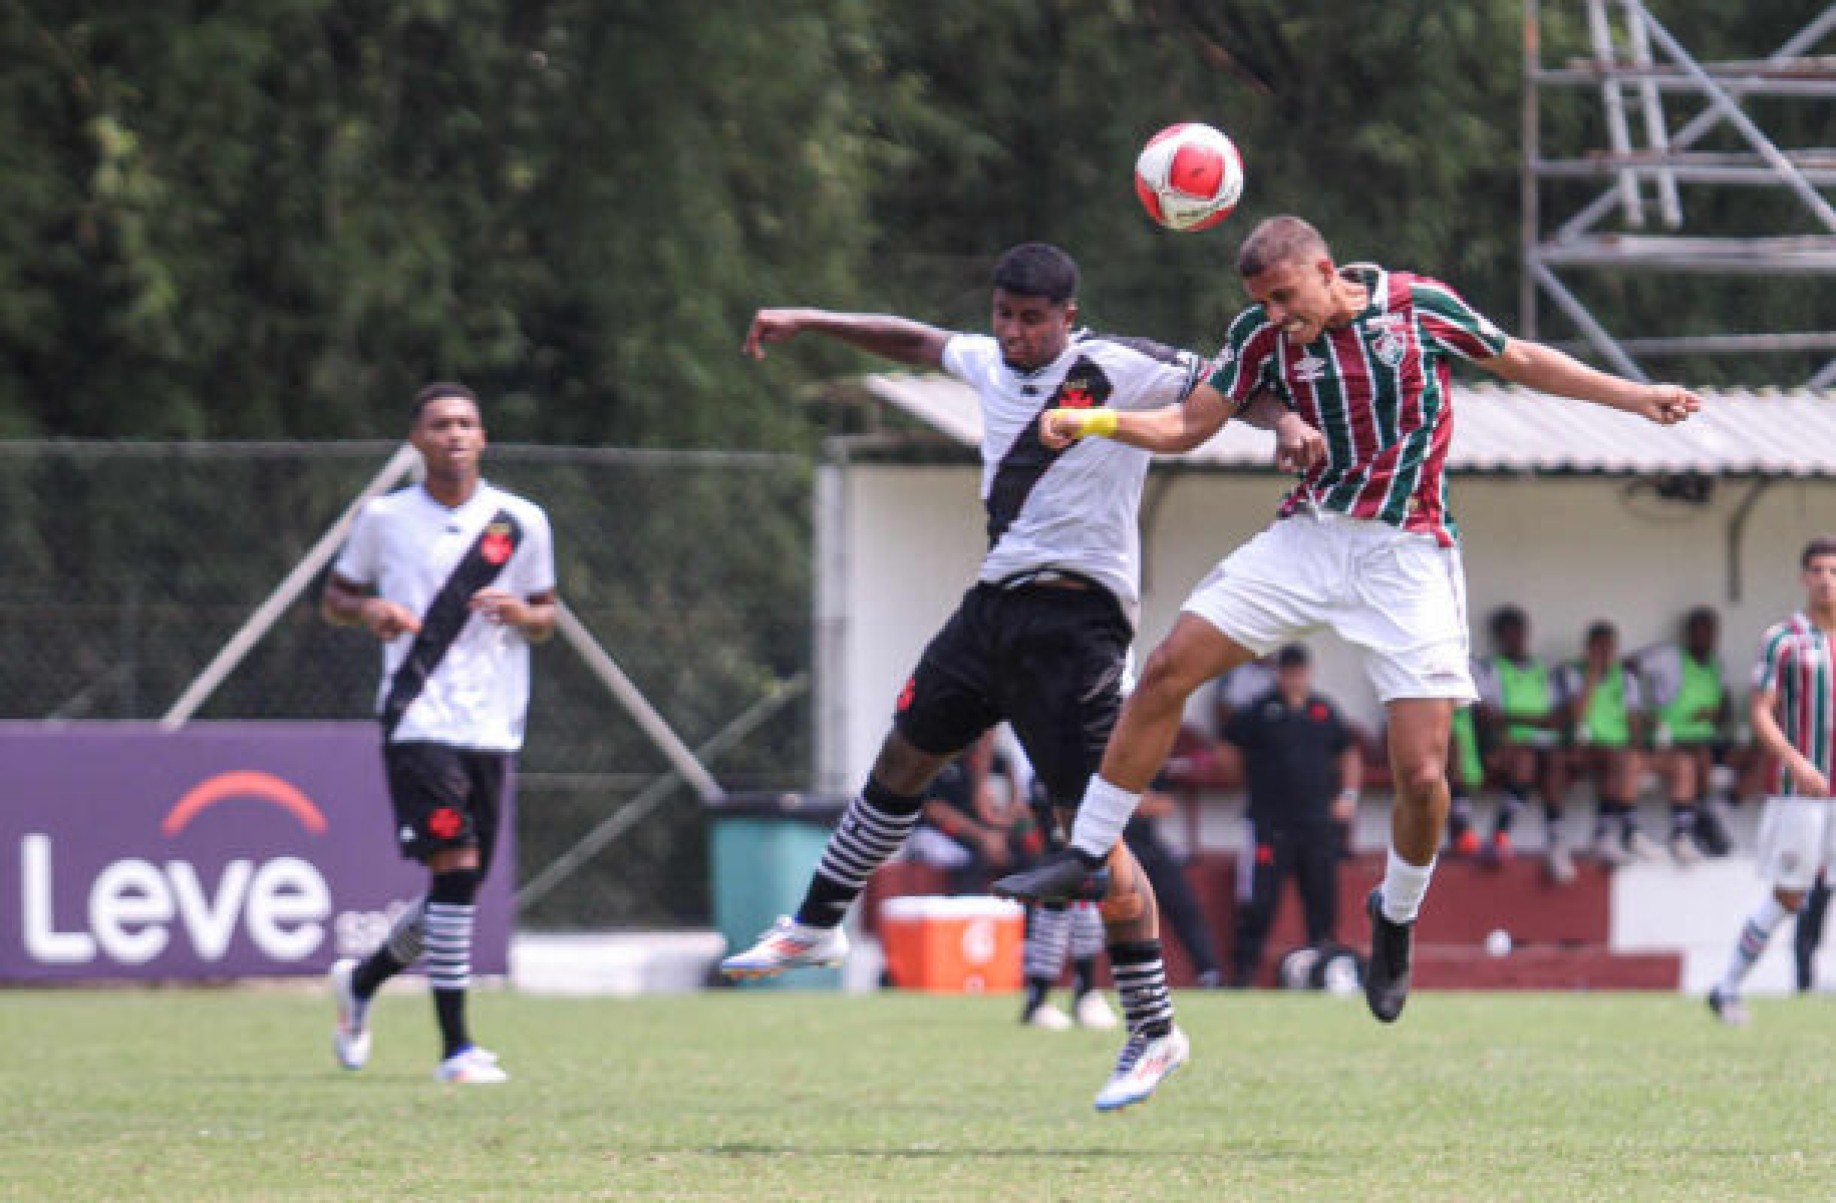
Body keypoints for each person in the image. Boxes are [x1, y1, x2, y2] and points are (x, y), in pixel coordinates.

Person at [995, 214, 1700, 1029]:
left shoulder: (1416, 307)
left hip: (1409, 556)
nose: (1276, 315)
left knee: (1424, 777)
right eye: (1261, 301)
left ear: (1328, 271)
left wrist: (1636, 395)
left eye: (1286, 297)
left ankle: (1395, 916)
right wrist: (1095, 419)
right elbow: (1190, 424)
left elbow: (1521, 359)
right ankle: (1088, 851)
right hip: (1310, 538)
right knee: (1165, 669)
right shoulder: (1260, 336)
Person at [716, 242, 1314, 1110]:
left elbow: (1229, 383)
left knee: (1090, 837)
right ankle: (815, 926)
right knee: (901, 762)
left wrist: (1286, 421)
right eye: (1004, 315)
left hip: (1078, 625)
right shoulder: (989, 364)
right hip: (992, 608)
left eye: (1033, 319)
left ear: (1068, 317)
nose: (1014, 333)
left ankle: (1153, 1029)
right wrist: (812, 319)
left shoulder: (1116, 366)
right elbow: (916, 341)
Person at [321, 382, 558, 1084]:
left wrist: (522, 611)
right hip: (416, 716)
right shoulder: (384, 518)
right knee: (452, 866)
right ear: (417, 439)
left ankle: (362, 981)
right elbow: (335, 597)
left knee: (458, 889)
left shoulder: (521, 522)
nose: (455, 433)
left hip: (492, 720)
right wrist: (369, 610)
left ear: (483, 438)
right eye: (440, 423)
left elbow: (549, 615)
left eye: (467, 422)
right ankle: (456, 1048)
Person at [1709, 536, 1836, 1026]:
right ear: (1804, 578)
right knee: (1789, 895)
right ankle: (1727, 988)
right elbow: (1759, 712)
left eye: (1833, 570)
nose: (1827, 580)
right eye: (1818, 570)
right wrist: (1795, 761)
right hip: (1799, 794)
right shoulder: (1785, 639)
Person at [1216, 644, 1360, 986]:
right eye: (1288, 670)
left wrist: (1348, 796)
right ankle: (1245, 970)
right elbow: (1227, 748)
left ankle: (1322, 967)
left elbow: (1349, 752)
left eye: (1300, 670)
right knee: (1260, 899)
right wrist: (1247, 783)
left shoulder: (1324, 711)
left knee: (1321, 896)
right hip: (1270, 822)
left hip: (1316, 824)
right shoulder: (1260, 710)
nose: (1294, 677)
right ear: (1279, 673)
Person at [1473, 606, 1575, 883]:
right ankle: (1500, 836)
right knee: (1525, 761)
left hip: (1544, 746)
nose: (1515, 637)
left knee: (1555, 762)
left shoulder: (1543, 670)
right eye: (1508, 632)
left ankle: (1556, 842)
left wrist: (1517, 719)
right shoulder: (1490, 669)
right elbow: (1489, 717)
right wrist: (1535, 720)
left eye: (1519, 630)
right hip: (1505, 748)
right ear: (1499, 636)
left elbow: (1557, 719)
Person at [1633, 606, 1735, 861]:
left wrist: (1718, 714)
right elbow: (1627, 667)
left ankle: (1710, 813)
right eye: (1701, 631)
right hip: (1673, 740)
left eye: (1712, 631)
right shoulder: (1669, 657)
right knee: (1699, 757)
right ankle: (1695, 827)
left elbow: (1726, 706)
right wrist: (1640, 711)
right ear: (1689, 632)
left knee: (1760, 756)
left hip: (1707, 739)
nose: (1707, 637)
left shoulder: (1715, 664)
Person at [1555, 620, 1656, 865]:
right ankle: (1620, 831)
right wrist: (1591, 675)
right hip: (1582, 746)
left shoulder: (1625, 677)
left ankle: (1615, 835)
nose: (1604, 654)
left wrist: (1641, 746)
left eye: (1609, 648)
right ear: (1587, 648)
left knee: (1628, 759)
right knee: (1614, 759)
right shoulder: (1572, 672)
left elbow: (1634, 722)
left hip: (1616, 748)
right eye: (1598, 648)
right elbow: (1575, 715)